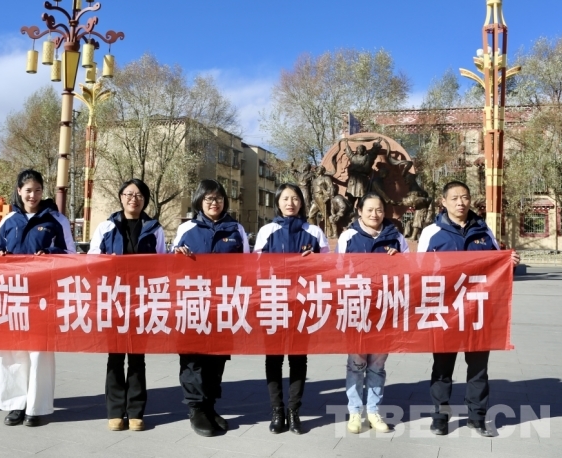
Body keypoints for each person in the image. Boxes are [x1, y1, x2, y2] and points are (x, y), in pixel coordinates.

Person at [418, 181, 520, 438]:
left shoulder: (483, 230)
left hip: (477, 312)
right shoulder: (431, 233)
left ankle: (477, 417)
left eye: (464, 197)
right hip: (445, 312)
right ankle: (440, 417)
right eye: (454, 198)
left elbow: (497, 265)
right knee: (442, 367)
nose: (460, 202)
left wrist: (510, 262)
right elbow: (418, 271)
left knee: (478, 369)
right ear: (443, 202)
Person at [0, 169, 76, 427]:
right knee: (13, 350)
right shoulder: (9, 221)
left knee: (40, 351)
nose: (33, 195)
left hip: (43, 295)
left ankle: (36, 407)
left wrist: (50, 253)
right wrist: (0, 256)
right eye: (28, 190)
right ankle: (14, 405)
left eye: (38, 190)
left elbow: (71, 253)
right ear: (19, 191)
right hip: (13, 293)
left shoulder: (56, 220)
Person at [172, 179, 250, 437]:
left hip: (223, 304)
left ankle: (209, 406)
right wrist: (178, 257)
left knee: (217, 358)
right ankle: (196, 409)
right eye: (208, 198)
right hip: (193, 304)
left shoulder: (236, 229)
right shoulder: (187, 229)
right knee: (193, 358)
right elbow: (169, 267)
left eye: (218, 198)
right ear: (199, 201)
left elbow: (247, 267)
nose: (214, 203)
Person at [88, 178, 166, 432]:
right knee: (115, 356)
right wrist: (106, 262)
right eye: (129, 194)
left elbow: (163, 263)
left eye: (139, 195)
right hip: (113, 299)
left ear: (145, 199)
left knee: (137, 357)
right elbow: (91, 260)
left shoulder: (154, 229)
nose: (134, 199)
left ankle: (135, 412)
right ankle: (114, 411)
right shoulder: (106, 227)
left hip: (142, 300)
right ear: (121, 197)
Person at [254, 182, 329, 435]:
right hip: (273, 303)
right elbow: (255, 268)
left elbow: (329, 268)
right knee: (273, 359)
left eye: (295, 198)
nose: (290, 203)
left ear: (301, 202)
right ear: (277, 201)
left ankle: (294, 411)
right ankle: (277, 410)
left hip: (302, 305)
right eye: (285, 198)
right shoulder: (267, 231)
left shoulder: (314, 232)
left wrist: (316, 261)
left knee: (298, 359)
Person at [336, 192, 409, 434]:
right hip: (356, 308)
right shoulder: (348, 237)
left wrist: (399, 260)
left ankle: (374, 410)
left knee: (377, 364)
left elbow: (411, 271)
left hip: (385, 310)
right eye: (369, 210)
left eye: (379, 210)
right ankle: (355, 412)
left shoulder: (396, 237)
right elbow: (336, 272)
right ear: (359, 211)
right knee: (356, 363)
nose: (374, 214)